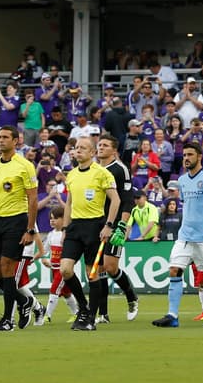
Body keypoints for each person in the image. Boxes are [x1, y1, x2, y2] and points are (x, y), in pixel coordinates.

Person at [153, 142, 203, 327]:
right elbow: (187, 206)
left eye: (190, 154)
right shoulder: (182, 180)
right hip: (184, 236)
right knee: (174, 270)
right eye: (184, 155)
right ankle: (172, 316)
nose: (186, 158)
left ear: (199, 156)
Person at [0, 127, 39, 331]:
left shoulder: (25, 166)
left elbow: (33, 198)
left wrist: (30, 229)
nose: (1, 141)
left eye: (5, 137)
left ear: (16, 141)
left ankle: (7, 320)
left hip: (17, 221)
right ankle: (24, 302)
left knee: (6, 267)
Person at [57, 137, 120, 331]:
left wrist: (108, 226)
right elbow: (69, 203)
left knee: (92, 275)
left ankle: (90, 318)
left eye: (83, 148)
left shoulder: (102, 173)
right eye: (76, 148)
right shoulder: (72, 175)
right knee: (65, 270)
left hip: (95, 226)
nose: (79, 151)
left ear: (92, 152)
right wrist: (65, 229)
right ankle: (83, 308)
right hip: (75, 227)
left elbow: (115, 200)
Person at [96, 135, 142, 321]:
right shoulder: (93, 168)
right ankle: (103, 314)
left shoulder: (120, 169)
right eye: (99, 144)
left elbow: (127, 200)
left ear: (114, 150)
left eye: (105, 145)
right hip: (94, 222)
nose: (100, 147)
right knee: (98, 268)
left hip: (114, 223)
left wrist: (122, 226)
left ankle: (131, 296)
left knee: (110, 266)